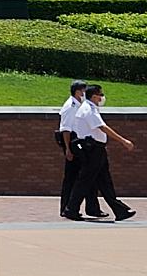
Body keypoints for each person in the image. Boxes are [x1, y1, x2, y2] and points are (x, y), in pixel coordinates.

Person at [63, 84, 137, 222]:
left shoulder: (90, 108)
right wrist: (123, 141)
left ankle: (120, 210)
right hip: (92, 149)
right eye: (100, 94)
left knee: (104, 181)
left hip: (96, 149)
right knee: (85, 180)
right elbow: (102, 127)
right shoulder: (88, 110)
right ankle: (71, 209)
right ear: (94, 96)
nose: (102, 97)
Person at [56, 80, 103, 218]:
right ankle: (67, 208)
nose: (85, 93)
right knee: (73, 177)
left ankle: (91, 208)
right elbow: (65, 130)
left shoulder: (79, 105)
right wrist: (68, 149)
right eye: (84, 90)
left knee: (87, 176)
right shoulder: (70, 107)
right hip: (74, 145)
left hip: (79, 144)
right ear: (77, 92)